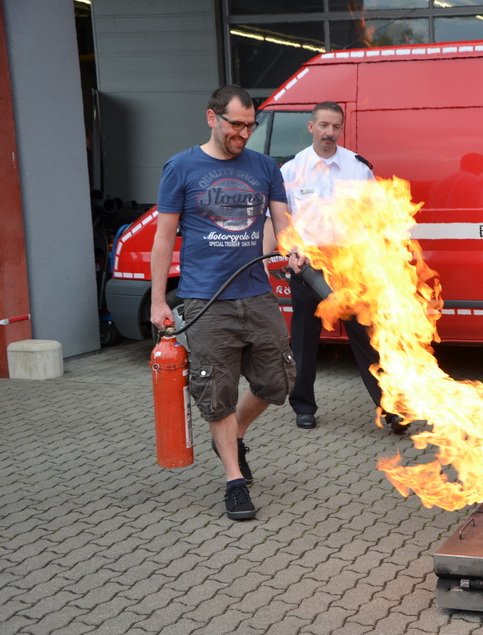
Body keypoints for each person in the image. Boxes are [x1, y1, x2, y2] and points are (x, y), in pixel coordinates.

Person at [150, 85, 298, 520]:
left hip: (255, 293)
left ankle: (232, 435)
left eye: (251, 125)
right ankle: (234, 480)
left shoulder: (265, 166)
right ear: (211, 117)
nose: (244, 133)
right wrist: (159, 299)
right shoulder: (180, 167)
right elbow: (163, 237)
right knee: (216, 392)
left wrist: (292, 248)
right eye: (237, 124)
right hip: (205, 299)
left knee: (278, 383)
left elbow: (281, 220)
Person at [280, 102, 406, 433]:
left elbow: (375, 218)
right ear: (311, 127)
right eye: (323, 125)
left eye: (335, 126)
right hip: (306, 266)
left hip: (350, 266)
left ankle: (388, 407)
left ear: (341, 128)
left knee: (366, 338)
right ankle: (303, 406)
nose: (329, 132)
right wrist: (289, 253)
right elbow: (281, 222)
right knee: (305, 342)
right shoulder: (292, 171)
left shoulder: (357, 168)